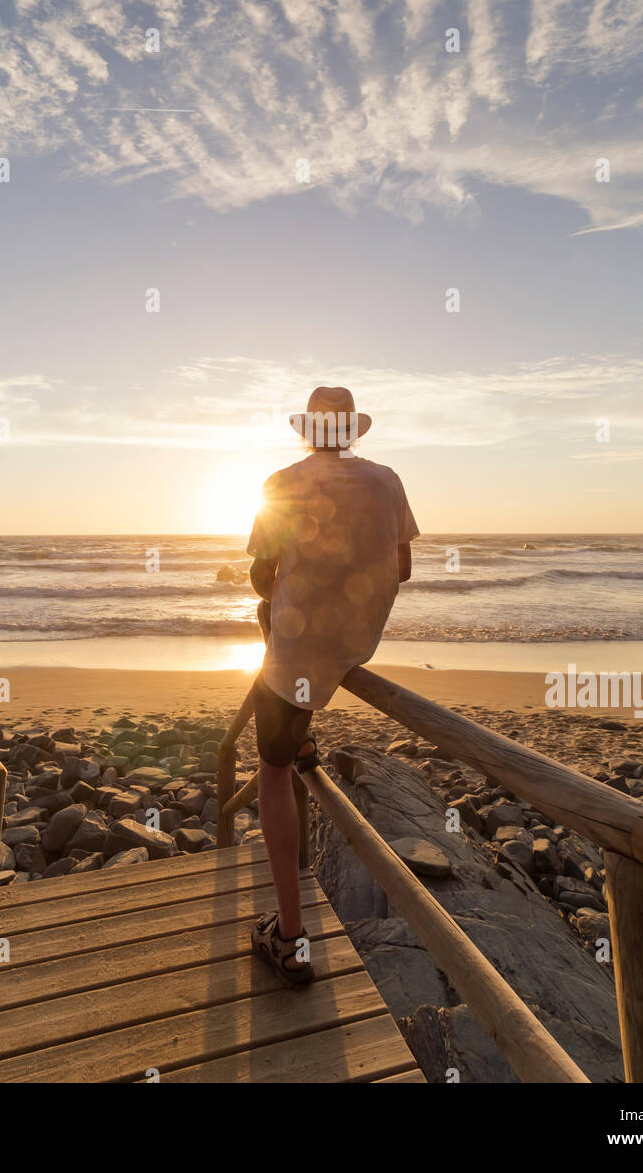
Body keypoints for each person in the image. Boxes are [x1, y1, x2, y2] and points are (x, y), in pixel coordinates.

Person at [242, 386, 419, 985]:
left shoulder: (283, 481)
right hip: (358, 640)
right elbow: (403, 568)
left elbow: (261, 578)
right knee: (294, 663)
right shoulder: (387, 480)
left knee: (270, 772)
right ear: (353, 432)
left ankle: (290, 938)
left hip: (301, 650)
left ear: (308, 431)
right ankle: (305, 737)